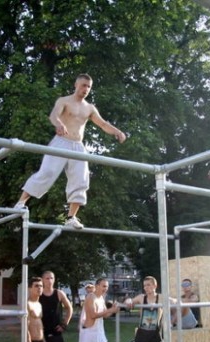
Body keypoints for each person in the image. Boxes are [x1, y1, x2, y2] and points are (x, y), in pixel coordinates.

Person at [13, 73, 127, 229]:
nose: (85, 89)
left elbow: (102, 124)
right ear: (76, 85)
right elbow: (53, 115)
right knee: (47, 172)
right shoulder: (64, 101)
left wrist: (117, 131)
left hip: (78, 146)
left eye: (88, 87)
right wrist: (59, 124)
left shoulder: (89, 108)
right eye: (83, 85)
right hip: (60, 143)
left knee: (81, 180)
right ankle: (20, 203)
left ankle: (71, 217)